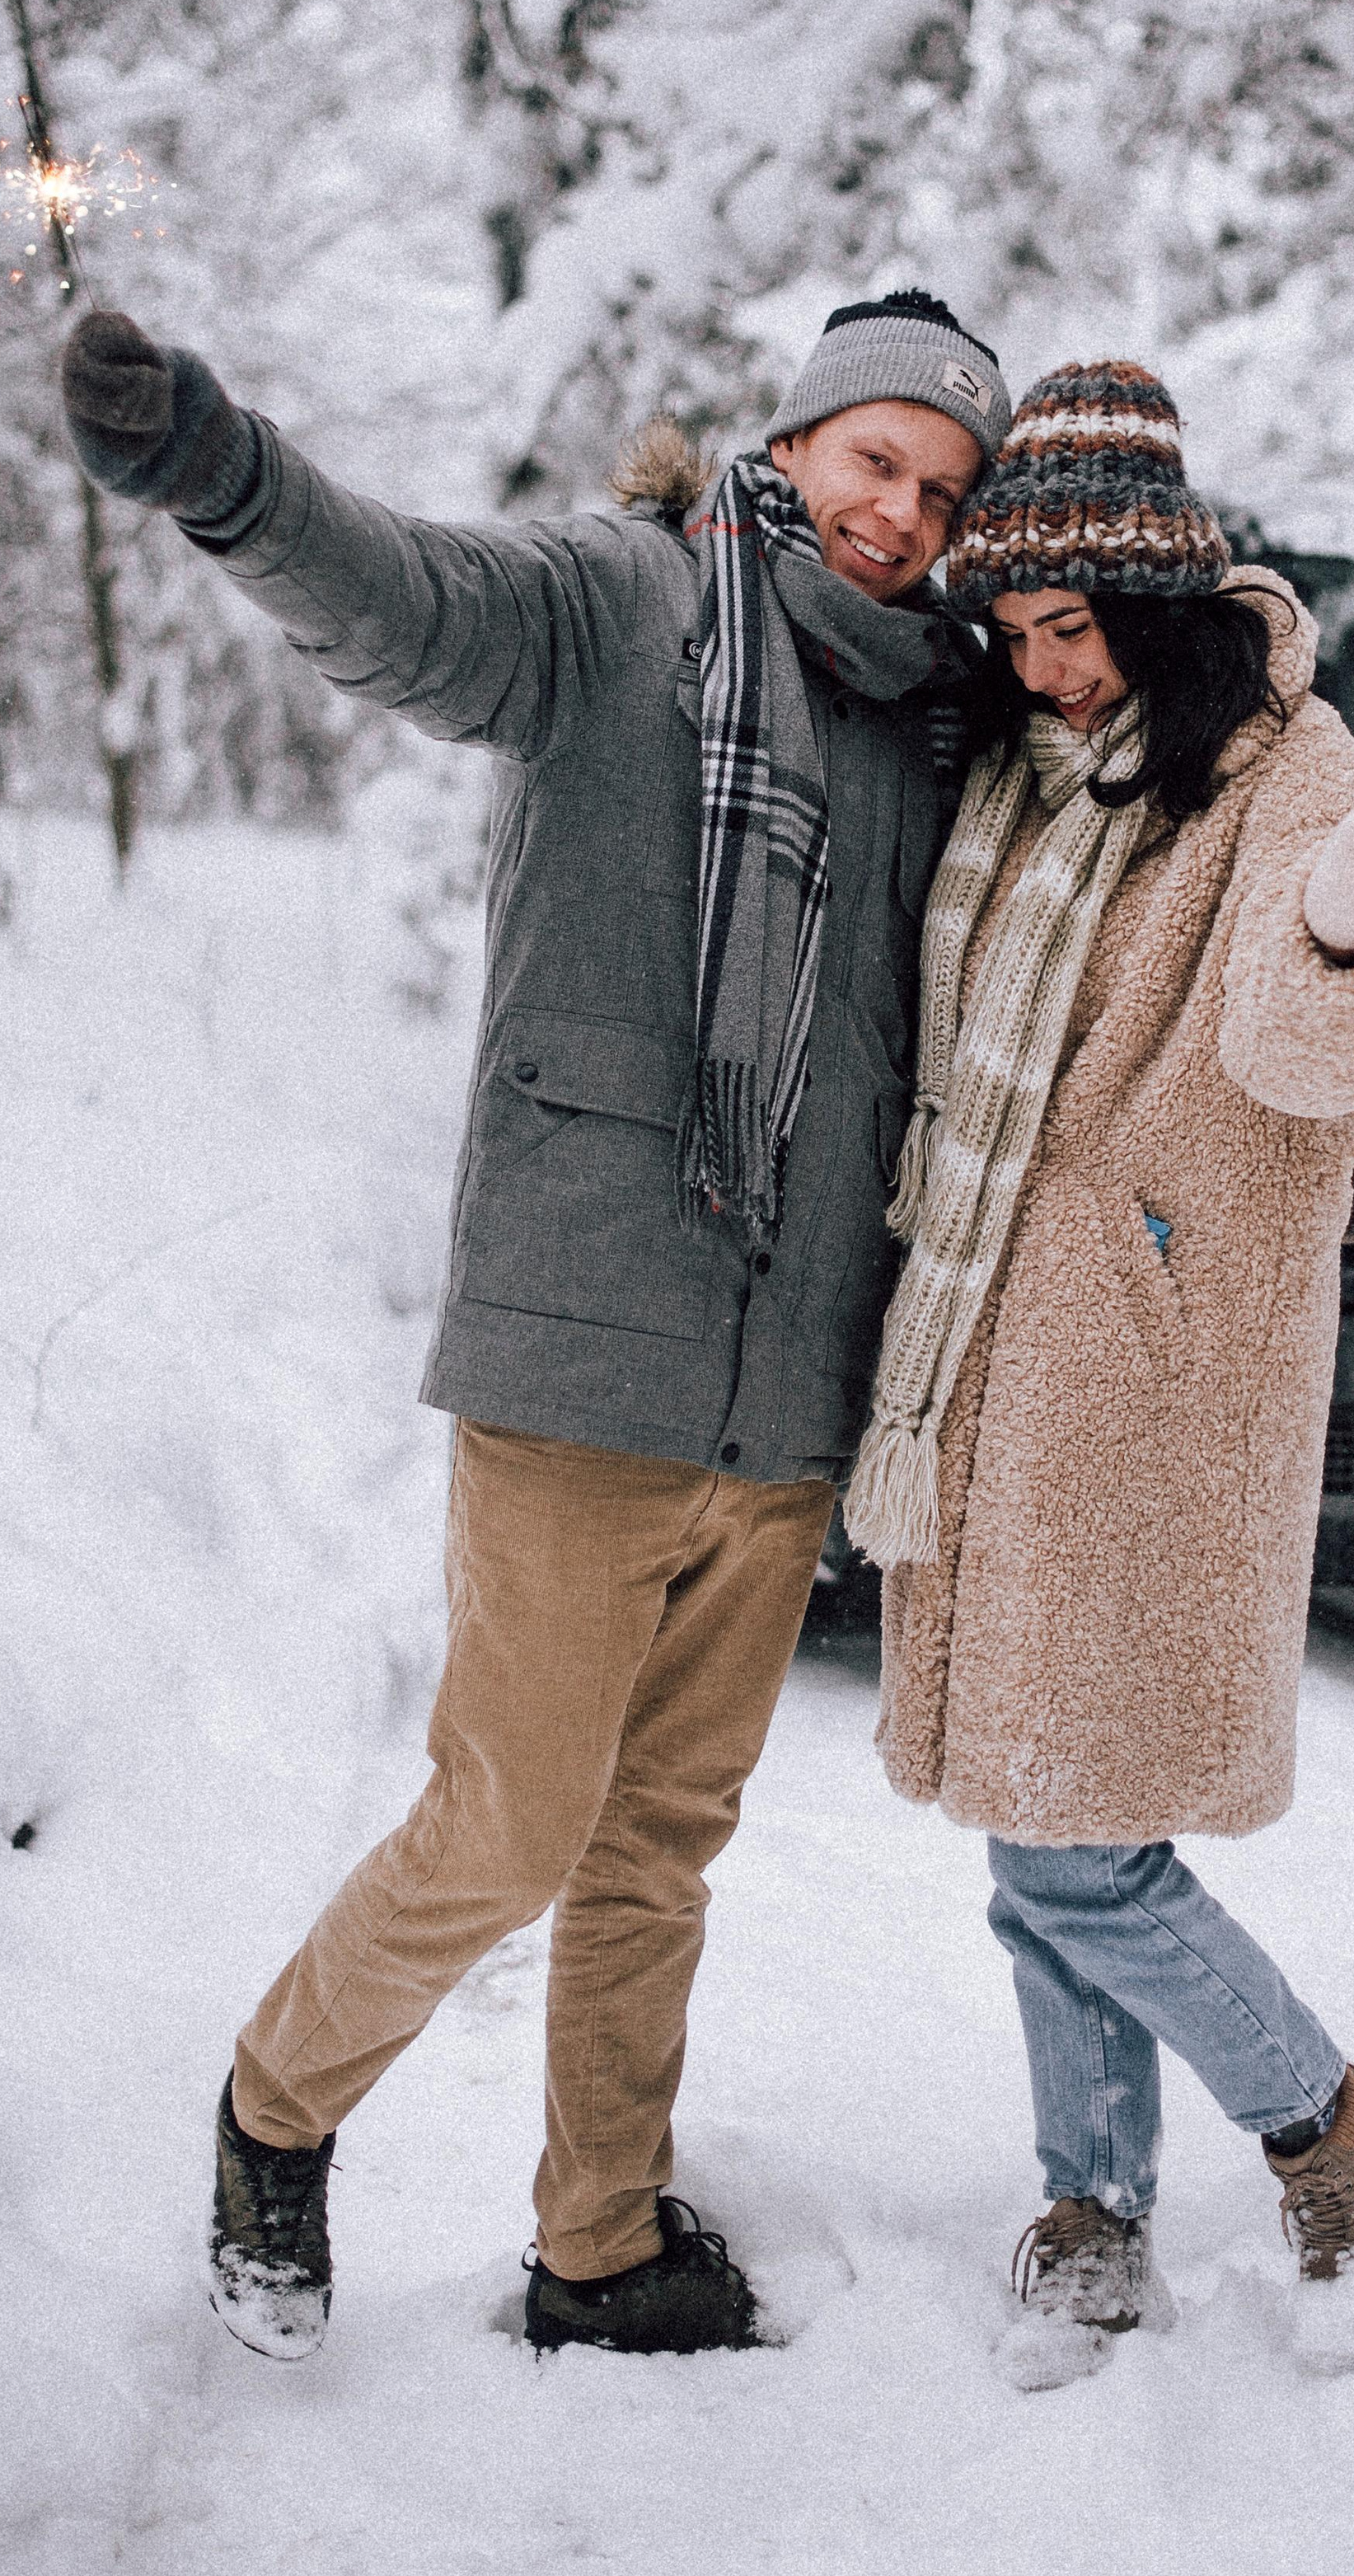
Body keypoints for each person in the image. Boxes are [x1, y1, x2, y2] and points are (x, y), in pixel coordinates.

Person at [59, 286, 1010, 2359]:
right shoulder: (624, 604)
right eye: (876, 458)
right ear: (802, 440)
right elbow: (394, 598)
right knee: (510, 1817)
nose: (898, 513)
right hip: (589, 1344)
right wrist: (222, 472)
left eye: (941, 489)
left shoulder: (940, 718)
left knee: (661, 1840)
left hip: (785, 1395)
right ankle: (272, 2109)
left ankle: (598, 2239)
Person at [841, 359, 1354, 2386]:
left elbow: (1313, 1081)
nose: (1038, 670)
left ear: (1164, 607)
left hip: (1147, 1370)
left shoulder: (1283, 771)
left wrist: (1344, 913)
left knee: (1066, 1832)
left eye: (1069, 628)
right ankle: (1089, 2203)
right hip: (994, 1351)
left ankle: (1315, 2119)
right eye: (1014, 632)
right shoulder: (1036, 768)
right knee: (1047, 1814)